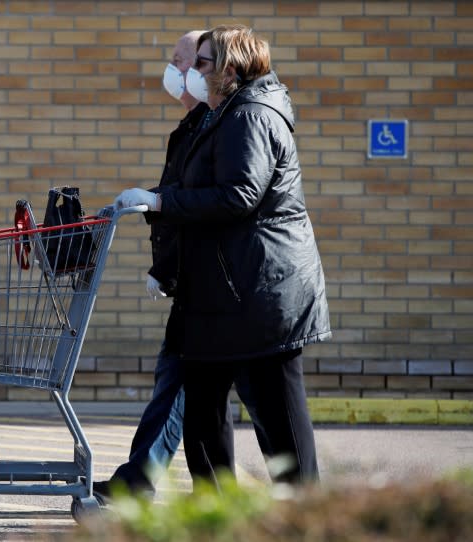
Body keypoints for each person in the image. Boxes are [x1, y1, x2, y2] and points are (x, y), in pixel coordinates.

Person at [114, 24, 331, 485]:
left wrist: (160, 203)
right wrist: (156, 207)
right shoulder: (219, 114)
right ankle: (215, 508)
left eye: (202, 62)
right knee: (201, 409)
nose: (191, 71)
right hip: (218, 293)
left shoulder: (250, 115)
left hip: (260, 293)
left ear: (230, 68)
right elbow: (196, 188)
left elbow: (239, 195)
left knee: (278, 421)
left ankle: (307, 512)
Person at [92, 30, 209, 502]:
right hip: (200, 283)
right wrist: (166, 268)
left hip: (220, 289)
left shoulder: (213, 128)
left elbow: (201, 204)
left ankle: (143, 482)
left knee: (189, 384)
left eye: (182, 61)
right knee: (188, 387)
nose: (174, 69)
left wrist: (155, 206)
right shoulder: (191, 127)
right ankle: (151, 483)